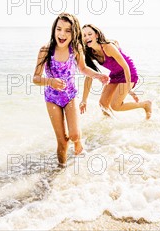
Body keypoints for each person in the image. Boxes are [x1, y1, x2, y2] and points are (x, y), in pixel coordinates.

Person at [32, 13, 109, 166]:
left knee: (74, 135)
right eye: (59, 29)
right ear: (54, 30)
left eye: (68, 30)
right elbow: (36, 78)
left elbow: (83, 68)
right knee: (62, 142)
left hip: (70, 96)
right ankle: (60, 171)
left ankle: (79, 143)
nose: (62, 34)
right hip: (52, 99)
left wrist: (98, 75)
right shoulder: (45, 51)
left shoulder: (76, 49)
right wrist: (50, 81)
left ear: (74, 33)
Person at [80, 24, 152, 119]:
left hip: (128, 70)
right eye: (84, 35)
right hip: (115, 73)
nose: (87, 37)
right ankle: (112, 125)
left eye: (90, 34)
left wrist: (129, 89)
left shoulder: (107, 47)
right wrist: (84, 100)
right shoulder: (90, 53)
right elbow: (89, 75)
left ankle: (145, 104)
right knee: (103, 104)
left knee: (116, 105)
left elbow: (125, 66)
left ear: (96, 35)